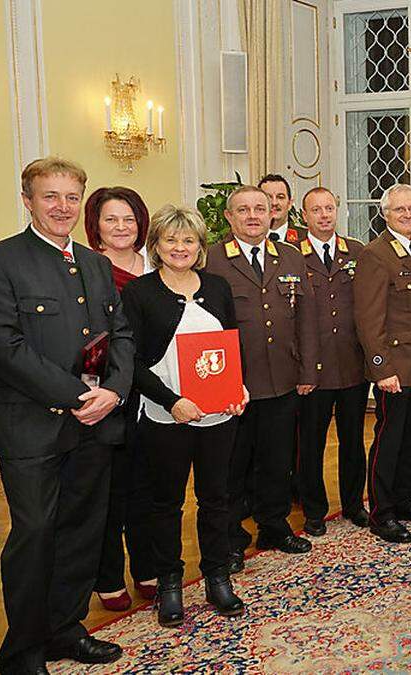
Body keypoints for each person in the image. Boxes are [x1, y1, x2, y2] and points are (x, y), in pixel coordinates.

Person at [0, 157, 133, 673]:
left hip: (96, 422)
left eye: (70, 197)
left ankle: (66, 631)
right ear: (28, 201)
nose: (62, 207)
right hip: (32, 426)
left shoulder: (94, 263)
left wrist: (115, 391)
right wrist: (79, 397)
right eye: (50, 197)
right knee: (35, 536)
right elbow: (3, 347)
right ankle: (22, 651)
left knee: (82, 532)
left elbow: (120, 334)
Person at [121, 205, 249, 627]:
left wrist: (238, 388)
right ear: (156, 244)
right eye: (171, 240)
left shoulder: (217, 287)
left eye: (189, 240)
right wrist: (173, 400)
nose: (180, 247)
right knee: (166, 503)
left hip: (218, 417)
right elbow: (132, 363)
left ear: (200, 247)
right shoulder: (139, 293)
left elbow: (231, 346)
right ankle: (170, 583)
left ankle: (216, 577)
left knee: (217, 498)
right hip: (166, 416)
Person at [204, 186, 318, 571]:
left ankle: (274, 524)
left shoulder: (288, 255)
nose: (253, 216)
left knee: (277, 458)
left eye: (260, 208)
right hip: (235, 383)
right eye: (243, 210)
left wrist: (306, 370)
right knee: (234, 464)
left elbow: (305, 317)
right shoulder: (213, 260)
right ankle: (233, 537)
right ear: (229, 217)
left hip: (283, 377)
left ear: (272, 213)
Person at [81, 186, 158, 611]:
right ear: (96, 225)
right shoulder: (87, 270)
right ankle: (108, 576)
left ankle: (148, 566)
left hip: (156, 393)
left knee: (147, 488)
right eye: (111, 219)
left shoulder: (156, 265)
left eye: (128, 219)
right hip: (110, 392)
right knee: (109, 492)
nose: (121, 227)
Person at [354, 183, 411, 543]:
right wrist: (382, 368)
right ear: (385, 214)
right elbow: (368, 319)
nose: (408, 215)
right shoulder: (376, 254)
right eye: (400, 210)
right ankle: (382, 511)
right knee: (389, 441)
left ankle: (404, 499)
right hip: (395, 369)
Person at [295, 187, 370, 534]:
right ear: (304, 215)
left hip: (352, 364)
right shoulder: (292, 256)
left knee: (353, 440)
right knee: (311, 443)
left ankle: (354, 503)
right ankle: (314, 509)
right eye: (316, 210)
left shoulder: (355, 251)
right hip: (313, 369)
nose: (324, 215)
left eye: (329, 208)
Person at [259, 173, 307, 246]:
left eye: (280, 197)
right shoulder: (247, 237)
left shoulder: (306, 238)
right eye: (268, 197)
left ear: (289, 204)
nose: (274, 203)